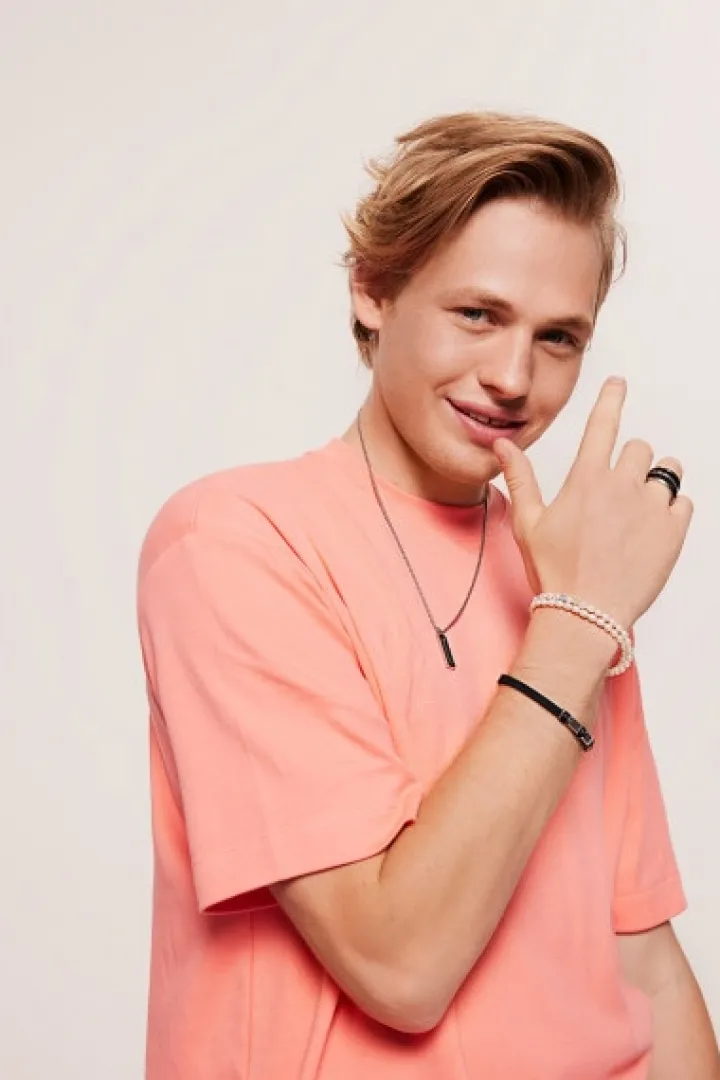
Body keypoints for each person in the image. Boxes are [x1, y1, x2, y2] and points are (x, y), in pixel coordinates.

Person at [136, 112, 719, 1079]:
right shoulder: (235, 541)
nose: (513, 378)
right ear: (374, 290)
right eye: (478, 314)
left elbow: (643, 961)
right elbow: (398, 963)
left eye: (558, 337)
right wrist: (577, 627)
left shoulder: (565, 572)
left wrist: (581, 608)